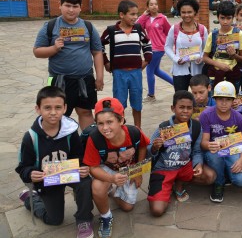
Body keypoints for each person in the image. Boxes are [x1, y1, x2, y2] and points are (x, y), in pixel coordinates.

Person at [16, 86, 94, 238]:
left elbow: (79, 156)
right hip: (48, 180)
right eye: (47, 108)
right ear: (38, 109)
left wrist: (83, 167)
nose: (53, 112)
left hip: (69, 173)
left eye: (58, 107)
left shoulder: (71, 132)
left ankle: (84, 220)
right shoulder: (30, 138)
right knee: (54, 220)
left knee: (85, 182)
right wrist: (31, 174)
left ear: (65, 108)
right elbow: (23, 167)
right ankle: (31, 198)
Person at [33, 0, 104, 129]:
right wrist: (53, 48)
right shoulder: (50, 26)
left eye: (75, 6)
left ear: (80, 8)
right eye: (67, 5)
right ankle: (60, 145)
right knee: (58, 114)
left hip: (85, 79)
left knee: (85, 111)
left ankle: (86, 144)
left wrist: (99, 77)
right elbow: (37, 51)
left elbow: (97, 52)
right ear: (60, 5)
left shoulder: (88, 26)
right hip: (59, 80)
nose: (71, 10)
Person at [83, 97, 149, 238]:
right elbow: (92, 167)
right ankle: (106, 217)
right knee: (98, 187)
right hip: (105, 167)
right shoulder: (94, 138)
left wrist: (138, 172)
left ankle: (111, 192)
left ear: (121, 120)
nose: (105, 128)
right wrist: (111, 178)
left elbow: (143, 146)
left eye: (109, 122)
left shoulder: (134, 132)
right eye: (100, 123)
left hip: (128, 169)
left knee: (127, 207)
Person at [147, 91, 216, 217]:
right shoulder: (163, 127)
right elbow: (148, 151)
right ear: (173, 108)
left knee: (210, 176)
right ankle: (164, 186)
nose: (185, 111)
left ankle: (179, 183)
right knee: (157, 210)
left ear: (193, 109)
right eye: (181, 107)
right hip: (164, 169)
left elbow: (196, 151)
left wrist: (198, 164)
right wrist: (155, 148)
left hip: (184, 166)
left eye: (189, 108)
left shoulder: (195, 127)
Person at [101, 0, 152, 129]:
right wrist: (106, 62)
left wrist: (146, 60)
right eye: (132, 14)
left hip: (136, 73)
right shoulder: (112, 31)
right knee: (119, 103)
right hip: (119, 73)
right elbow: (98, 45)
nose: (135, 17)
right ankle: (120, 128)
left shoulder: (139, 29)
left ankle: (137, 128)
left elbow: (147, 44)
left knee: (137, 102)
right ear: (122, 15)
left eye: (137, 14)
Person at [200, 81, 242, 203]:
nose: (223, 103)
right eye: (220, 99)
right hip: (215, 151)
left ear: (233, 100)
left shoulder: (238, 117)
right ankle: (219, 182)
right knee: (213, 156)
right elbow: (203, 143)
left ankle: (226, 172)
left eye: (228, 99)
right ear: (215, 99)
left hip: (233, 150)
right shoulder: (206, 114)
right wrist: (208, 145)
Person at [165, 0, 208, 92]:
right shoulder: (174, 29)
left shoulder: (202, 29)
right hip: (180, 70)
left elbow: (206, 48)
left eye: (189, 12)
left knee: (199, 98)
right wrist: (176, 59)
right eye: (183, 12)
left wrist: (201, 57)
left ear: (195, 12)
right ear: (179, 13)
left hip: (198, 69)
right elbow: (167, 47)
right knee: (181, 97)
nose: (186, 15)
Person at [203, 1, 242, 89]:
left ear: (233, 18)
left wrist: (234, 55)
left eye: (228, 18)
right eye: (222, 18)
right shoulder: (213, 35)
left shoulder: (239, 34)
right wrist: (219, 65)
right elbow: (205, 57)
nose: (225, 21)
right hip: (215, 74)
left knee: (232, 101)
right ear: (218, 17)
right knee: (215, 100)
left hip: (232, 74)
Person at [137, 0, 173, 102]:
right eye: (151, 4)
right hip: (149, 48)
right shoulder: (146, 19)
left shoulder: (163, 18)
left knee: (149, 70)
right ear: (147, 7)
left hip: (158, 49)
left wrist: (168, 45)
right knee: (156, 70)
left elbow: (169, 32)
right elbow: (137, 26)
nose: (154, 6)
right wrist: (144, 15)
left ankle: (151, 95)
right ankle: (177, 84)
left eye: (156, 4)